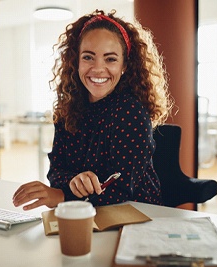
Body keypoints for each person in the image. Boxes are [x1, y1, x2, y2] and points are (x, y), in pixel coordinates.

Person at [13, 10, 173, 211]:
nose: (98, 69)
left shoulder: (131, 110)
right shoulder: (68, 108)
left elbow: (121, 190)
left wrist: (63, 195)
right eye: (88, 57)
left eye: (110, 59)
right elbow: (56, 171)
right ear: (76, 61)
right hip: (85, 214)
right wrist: (74, 181)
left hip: (136, 215)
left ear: (125, 64)